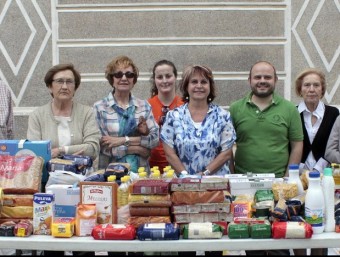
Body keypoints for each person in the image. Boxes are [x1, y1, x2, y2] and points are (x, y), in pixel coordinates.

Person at [229, 61, 304, 255]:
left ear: (275, 80)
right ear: (250, 80)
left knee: (279, 241)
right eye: (258, 77)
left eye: (267, 77)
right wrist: (232, 176)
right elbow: (227, 146)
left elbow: (297, 144)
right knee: (253, 239)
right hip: (245, 187)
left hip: (278, 186)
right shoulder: (235, 109)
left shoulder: (289, 109)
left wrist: (289, 178)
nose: (262, 81)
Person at [27, 63, 101, 257]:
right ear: (50, 86)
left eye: (70, 81)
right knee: (52, 241)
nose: (65, 86)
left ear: (75, 87)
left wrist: (60, 151)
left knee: (83, 241)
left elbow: (93, 147)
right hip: (48, 189)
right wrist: (76, 153)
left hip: (81, 188)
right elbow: (36, 154)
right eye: (59, 81)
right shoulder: (37, 115)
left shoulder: (86, 113)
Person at [294, 68, 338, 256]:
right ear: (300, 89)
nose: (311, 89)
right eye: (307, 85)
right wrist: (301, 170)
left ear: (322, 89)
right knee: (298, 223)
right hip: (298, 176)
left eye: (316, 85)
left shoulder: (333, 113)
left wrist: (319, 169)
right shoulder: (292, 112)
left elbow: (334, 145)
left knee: (323, 224)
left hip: (326, 176)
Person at [93, 55, 159, 175]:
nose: (124, 78)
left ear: (134, 80)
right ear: (111, 79)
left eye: (129, 74)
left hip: (141, 174)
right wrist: (137, 149)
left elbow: (154, 140)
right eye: (118, 74)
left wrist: (122, 140)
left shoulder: (144, 106)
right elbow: (104, 147)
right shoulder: (100, 108)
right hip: (110, 175)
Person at [147, 59, 184, 173]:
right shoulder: (146, 106)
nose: (164, 81)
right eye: (160, 77)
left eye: (168, 76)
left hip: (180, 167)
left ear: (175, 77)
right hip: (152, 169)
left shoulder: (185, 106)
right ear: (154, 80)